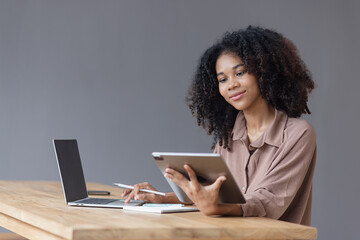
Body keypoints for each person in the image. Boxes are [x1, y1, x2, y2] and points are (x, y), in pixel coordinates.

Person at [122, 26, 316, 226]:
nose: (231, 84)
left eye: (240, 73)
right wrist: (161, 197)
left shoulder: (298, 133)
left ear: (264, 72)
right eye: (222, 79)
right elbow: (212, 195)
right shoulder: (228, 138)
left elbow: (269, 200)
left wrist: (217, 208)